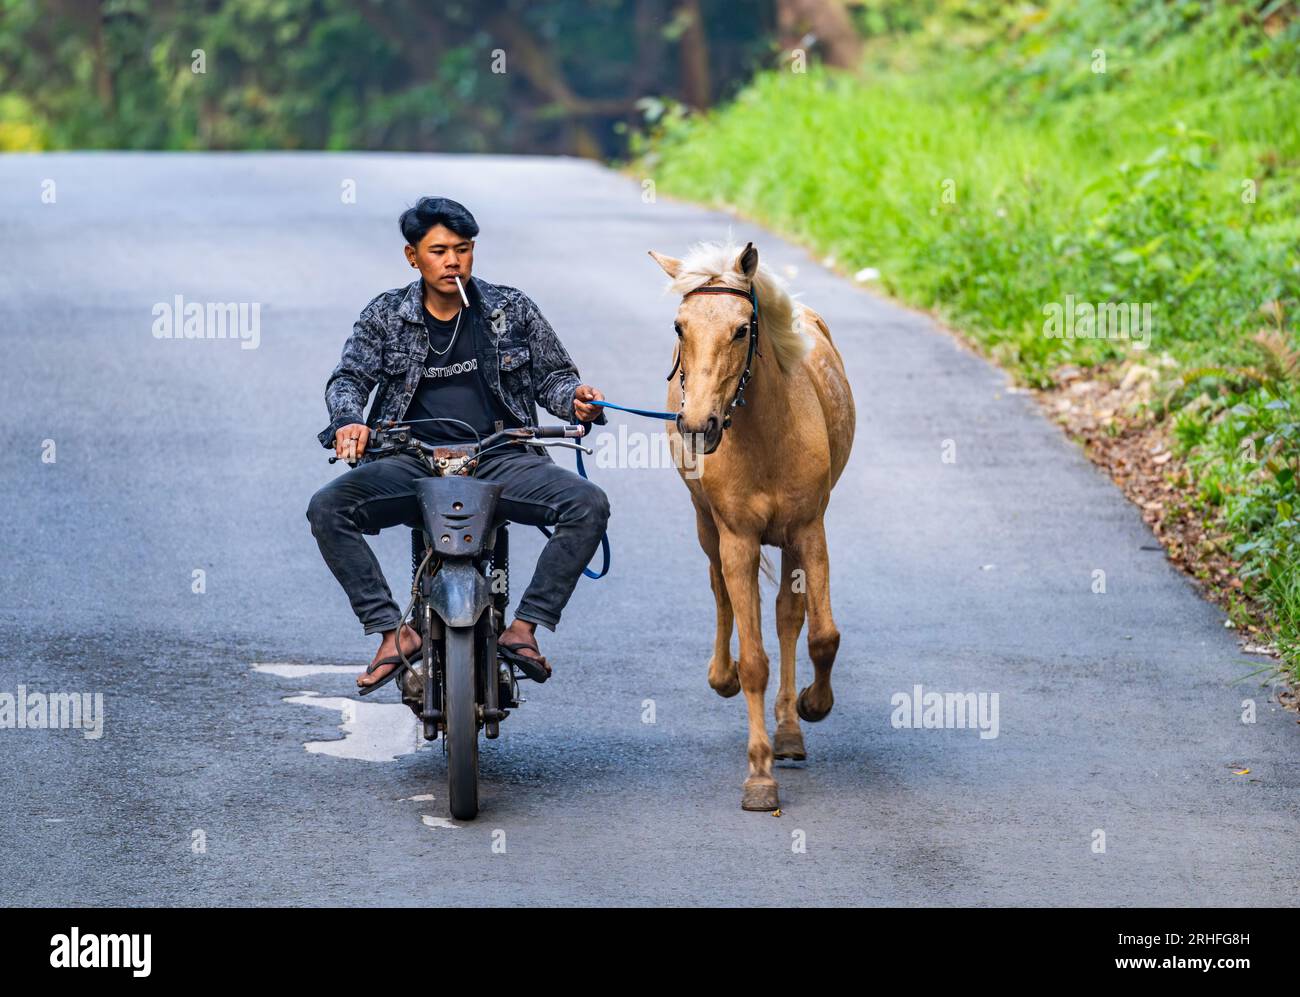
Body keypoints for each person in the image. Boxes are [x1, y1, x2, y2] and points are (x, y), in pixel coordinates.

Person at [306, 196, 609, 691]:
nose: (452, 261)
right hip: (411, 461)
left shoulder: (511, 310)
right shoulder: (385, 315)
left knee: (588, 504)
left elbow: (553, 378)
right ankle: (392, 632)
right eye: (439, 251)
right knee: (327, 508)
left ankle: (524, 629)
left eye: (463, 250)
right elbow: (349, 380)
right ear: (413, 257)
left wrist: (575, 400)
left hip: (500, 456)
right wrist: (348, 421)